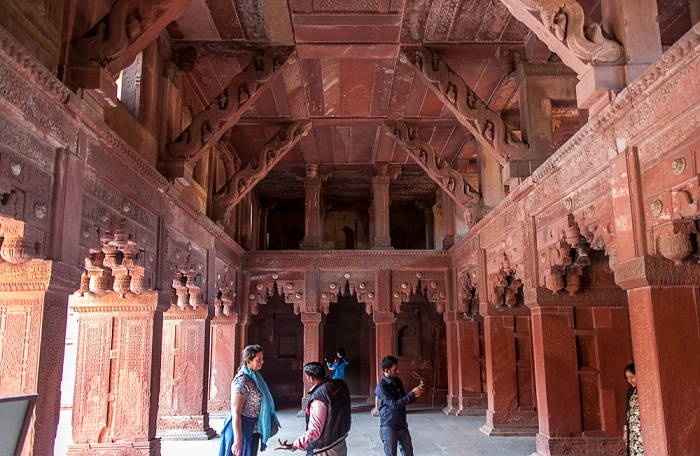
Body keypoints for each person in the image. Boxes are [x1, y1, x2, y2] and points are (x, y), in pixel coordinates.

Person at [278, 362, 351, 455]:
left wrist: (295, 445)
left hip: (326, 449)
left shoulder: (319, 397)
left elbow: (315, 431)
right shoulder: (339, 384)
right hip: (340, 441)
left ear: (310, 378)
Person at [219, 344, 281, 456]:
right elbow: (236, 412)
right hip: (241, 429)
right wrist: (237, 441)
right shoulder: (242, 381)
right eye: (258, 359)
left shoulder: (255, 378)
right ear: (248, 362)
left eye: (262, 359)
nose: (262, 362)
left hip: (253, 428)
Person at [375, 355, 424, 456]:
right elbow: (394, 405)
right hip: (389, 426)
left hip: (402, 425)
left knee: (409, 453)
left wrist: (415, 395)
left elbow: (403, 400)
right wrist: (412, 394)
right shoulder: (381, 387)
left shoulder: (398, 381)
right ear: (386, 370)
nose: (398, 371)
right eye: (395, 369)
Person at [623, 363, 643, 456]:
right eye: (628, 378)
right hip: (633, 432)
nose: (630, 380)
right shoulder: (630, 392)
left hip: (642, 431)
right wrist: (626, 431)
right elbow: (628, 412)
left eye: (632, 377)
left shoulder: (644, 390)